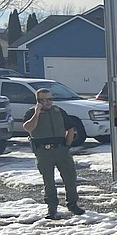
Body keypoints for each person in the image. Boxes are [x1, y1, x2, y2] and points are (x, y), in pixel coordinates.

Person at [22, 88, 85, 219]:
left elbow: (71, 129)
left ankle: (73, 204)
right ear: (37, 101)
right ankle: (52, 208)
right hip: (43, 152)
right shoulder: (31, 113)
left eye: (50, 99)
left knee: (70, 178)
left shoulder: (59, 111)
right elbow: (28, 128)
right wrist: (37, 113)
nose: (48, 102)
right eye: (43, 100)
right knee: (49, 181)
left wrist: (67, 146)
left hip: (61, 150)